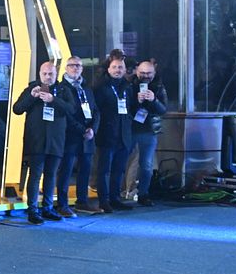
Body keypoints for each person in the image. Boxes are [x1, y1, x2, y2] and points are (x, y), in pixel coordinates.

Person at [12, 62, 76, 224]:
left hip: (56, 140)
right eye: (45, 74)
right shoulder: (32, 89)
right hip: (36, 140)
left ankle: (47, 208)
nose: (48, 77)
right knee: (35, 175)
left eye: (51, 74)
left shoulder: (63, 90)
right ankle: (32, 209)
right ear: (40, 74)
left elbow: (71, 110)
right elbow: (17, 109)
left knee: (51, 175)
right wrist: (31, 97)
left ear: (56, 74)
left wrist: (53, 100)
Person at [54, 57, 100, 217]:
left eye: (79, 66)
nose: (75, 68)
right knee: (66, 170)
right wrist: (82, 130)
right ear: (66, 68)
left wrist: (92, 129)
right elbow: (66, 113)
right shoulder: (62, 88)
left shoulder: (86, 88)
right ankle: (62, 204)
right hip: (70, 136)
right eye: (72, 65)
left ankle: (82, 202)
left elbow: (95, 111)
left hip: (88, 137)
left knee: (85, 169)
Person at [94, 53, 137, 213]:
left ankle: (115, 198)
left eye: (120, 67)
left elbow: (131, 108)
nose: (118, 70)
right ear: (108, 68)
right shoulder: (100, 87)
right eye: (114, 67)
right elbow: (96, 109)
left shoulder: (127, 87)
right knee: (104, 170)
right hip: (106, 134)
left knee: (119, 169)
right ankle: (103, 200)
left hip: (123, 135)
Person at [129, 61, 168, 207]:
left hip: (149, 131)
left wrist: (154, 100)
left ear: (154, 73)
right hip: (131, 129)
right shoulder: (129, 86)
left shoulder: (159, 87)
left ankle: (143, 194)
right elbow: (125, 108)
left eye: (148, 73)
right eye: (142, 73)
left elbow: (163, 110)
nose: (145, 76)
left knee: (146, 165)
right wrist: (136, 101)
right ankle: (120, 193)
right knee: (122, 162)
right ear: (137, 72)